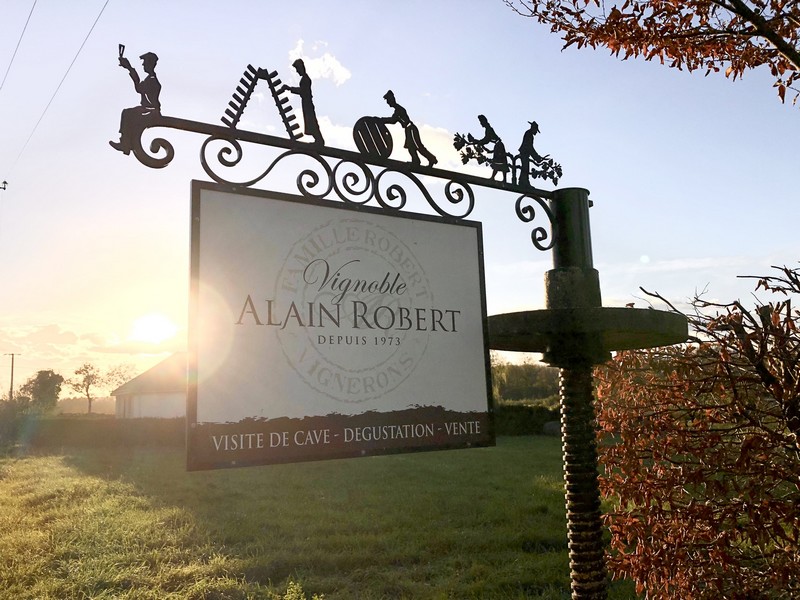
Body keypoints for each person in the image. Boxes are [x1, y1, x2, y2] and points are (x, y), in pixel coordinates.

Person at [109, 51, 161, 155]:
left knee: (128, 113)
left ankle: (125, 143)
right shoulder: (150, 78)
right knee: (130, 114)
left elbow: (139, 88)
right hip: (148, 110)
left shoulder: (151, 80)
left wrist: (129, 68)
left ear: (150, 64)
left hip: (152, 111)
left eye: (145, 62)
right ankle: (127, 142)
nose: (142, 64)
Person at [380, 90, 437, 167]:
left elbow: (393, 120)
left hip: (411, 129)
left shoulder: (399, 109)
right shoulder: (397, 109)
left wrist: (380, 120)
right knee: (411, 147)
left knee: (417, 146)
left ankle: (431, 159)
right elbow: (393, 120)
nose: (388, 103)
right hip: (408, 129)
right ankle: (416, 160)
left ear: (392, 100)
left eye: (388, 101)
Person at [284, 59, 324, 146]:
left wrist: (290, 88)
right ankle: (318, 140)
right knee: (310, 121)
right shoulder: (305, 78)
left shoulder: (305, 79)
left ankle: (319, 140)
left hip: (307, 103)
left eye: (297, 69)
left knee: (311, 121)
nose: (297, 71)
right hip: (306, 103)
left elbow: (303, 91)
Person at [470, 114, 509, 181]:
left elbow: (486, 139)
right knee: (500, 162)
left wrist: (477, 141)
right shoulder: (488, 129)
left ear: (484, 122)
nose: (481, 124)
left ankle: (498, 178)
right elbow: (487, 140)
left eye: (481, 122)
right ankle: (499, 178)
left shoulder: (489, 129)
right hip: (498, 145)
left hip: (499, 146)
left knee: (498, 162)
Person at [518, 120, 544, 187]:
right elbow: (530, 147)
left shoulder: (529, 134)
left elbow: (530, 148)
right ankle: (524, 182)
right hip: (524, 152)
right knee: (525, 167)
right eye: (536, 130)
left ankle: (522, 181)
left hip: (525, 152)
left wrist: (537, 157)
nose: (536, 132)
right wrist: (537, 157)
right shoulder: (529, 134)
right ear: (533, 129)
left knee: (525, 167)